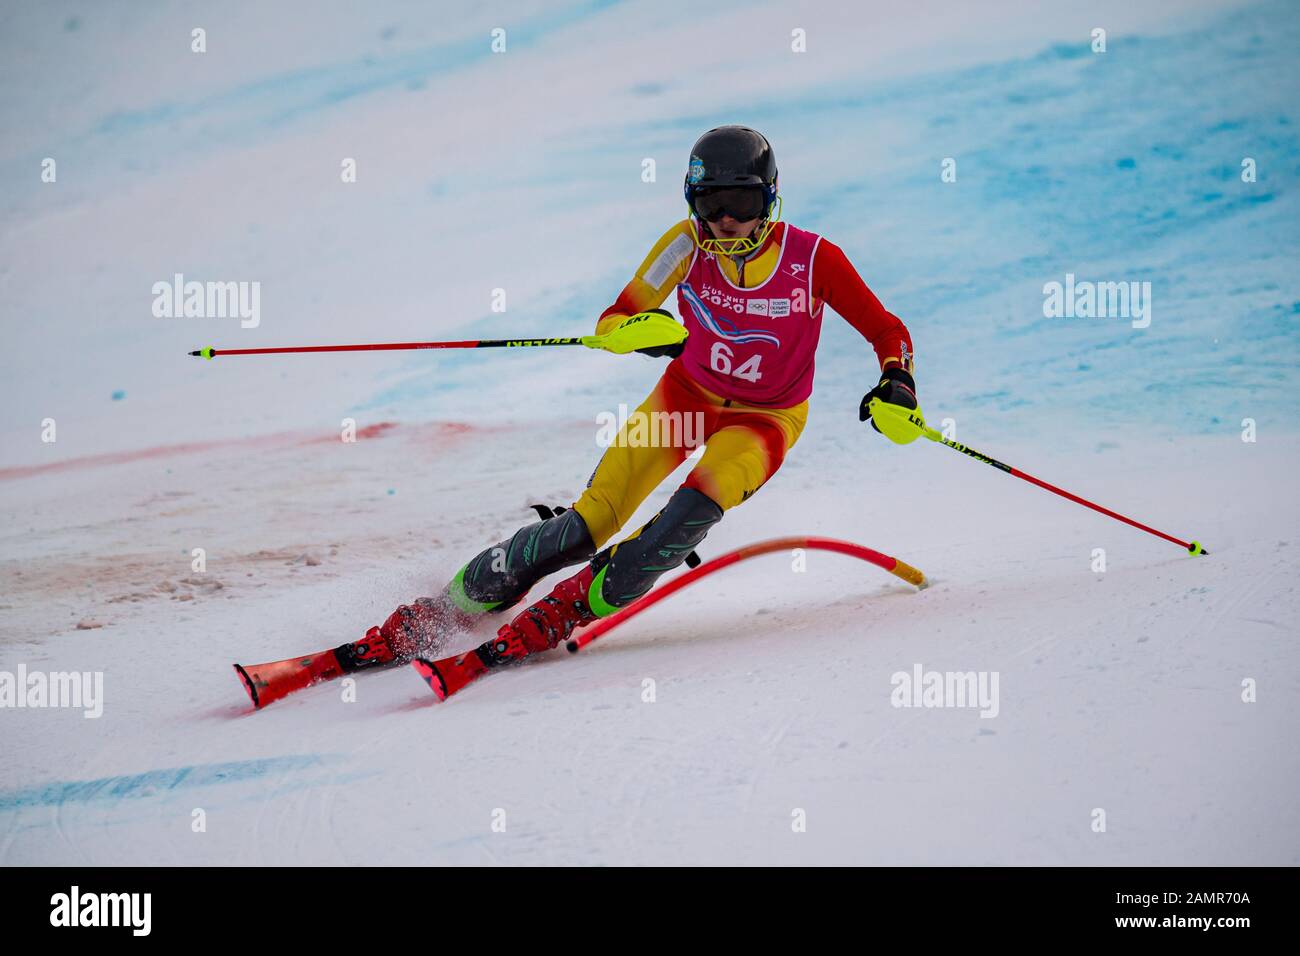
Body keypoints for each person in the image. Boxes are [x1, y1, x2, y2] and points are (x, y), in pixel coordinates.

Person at [337, 125, 919, 687]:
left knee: (684, 519)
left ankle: (567, 610)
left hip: (764, 418)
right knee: (585, 527)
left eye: (741, 201)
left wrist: (898, 384)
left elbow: (886, 329)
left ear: (770, 199)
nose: (725, 220)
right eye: (710, 203)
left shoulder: (814, 259)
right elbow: (616, 319)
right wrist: (641, 330)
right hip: (686, 397)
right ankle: (444, 609)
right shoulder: (685, 245)